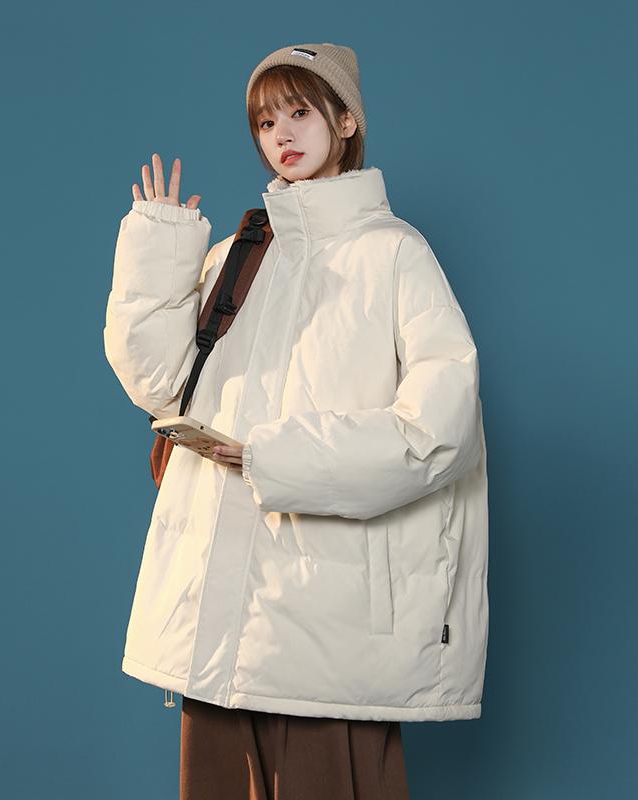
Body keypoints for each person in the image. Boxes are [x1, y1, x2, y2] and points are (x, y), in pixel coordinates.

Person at [104, 42, 489, 800]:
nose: (280, 133)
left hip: (328, 616)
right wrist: (159, 253)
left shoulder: (395, 254)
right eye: (264, 120)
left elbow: (441, 432)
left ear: (346, 121)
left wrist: (277, 460)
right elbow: (161, 388)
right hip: (216, 606)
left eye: (300, 111)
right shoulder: (239, 253)